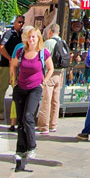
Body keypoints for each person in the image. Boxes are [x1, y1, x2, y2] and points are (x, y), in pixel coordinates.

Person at [10, 27, 53, 160]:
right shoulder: (21, 51)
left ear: (38, 38)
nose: (31, 39)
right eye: (29, 37)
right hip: (20, 88)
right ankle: (20, 149)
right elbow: (13, 65)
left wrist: (43, 82)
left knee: (28, 117)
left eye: (33, 37)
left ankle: (32, 146)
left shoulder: (43, 53)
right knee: (21, 120)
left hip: (35, 88)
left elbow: (50, 68)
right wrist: (13, 81)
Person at [37, 24, 66, 134]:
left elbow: (42, 59)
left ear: (50, 31)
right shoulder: (63, 42)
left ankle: (44, 126)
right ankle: (53, 124)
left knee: (46, 100)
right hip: (59, 74)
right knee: (55, 100)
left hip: (50, 74)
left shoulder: (48, 43)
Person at [0, 15, 24, 120]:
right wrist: (9, 58)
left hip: (19, 67)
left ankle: (15, 115)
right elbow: (1, 47)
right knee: (3, 88)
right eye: (19, 22)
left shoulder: (23, 34)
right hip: (6, 65)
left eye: (22, 22)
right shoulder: (9, 33)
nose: (21, 24)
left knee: (17, 89)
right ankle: (0, 111)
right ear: (14, 22)